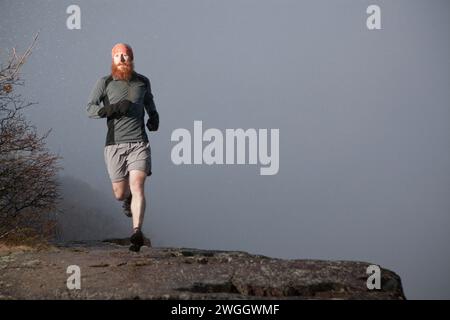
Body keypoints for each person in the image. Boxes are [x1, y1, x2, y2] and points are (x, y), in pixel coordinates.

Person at [86, 43, 159, 252]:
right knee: (120, 193)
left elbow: (150, 104)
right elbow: (89, 109)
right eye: (118, 56)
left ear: (132, 58)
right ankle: (126, 199)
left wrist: (154, 118)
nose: (122, 59)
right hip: (114, 145)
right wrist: (111, 109)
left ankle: (136, 232)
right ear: (112, 59)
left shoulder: (142, 82)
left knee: (138, 185)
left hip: (139, 143)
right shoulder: (105, 82)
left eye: (125, 56)